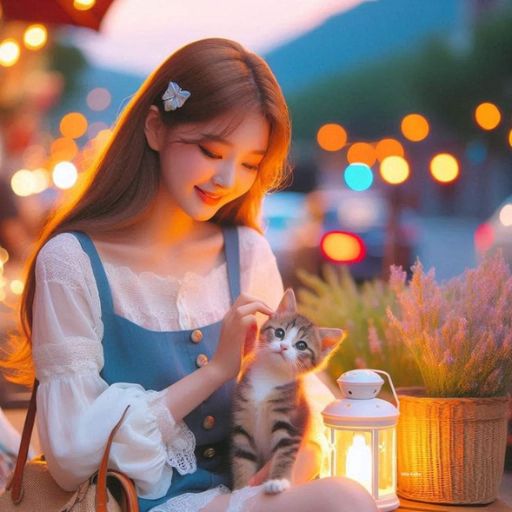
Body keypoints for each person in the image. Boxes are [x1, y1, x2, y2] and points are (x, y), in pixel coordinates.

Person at [1, 39, 377, 512]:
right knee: (346, 502)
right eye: (211, 150)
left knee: (347, 498)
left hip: (240, 497)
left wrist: (299, 461)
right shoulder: (72, 262)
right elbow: (72, 455)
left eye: (249, 163)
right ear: (156, 127)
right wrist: (217, 369)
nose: (227, 178)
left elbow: (299, 397)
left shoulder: (247, 250)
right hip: (135, 504)